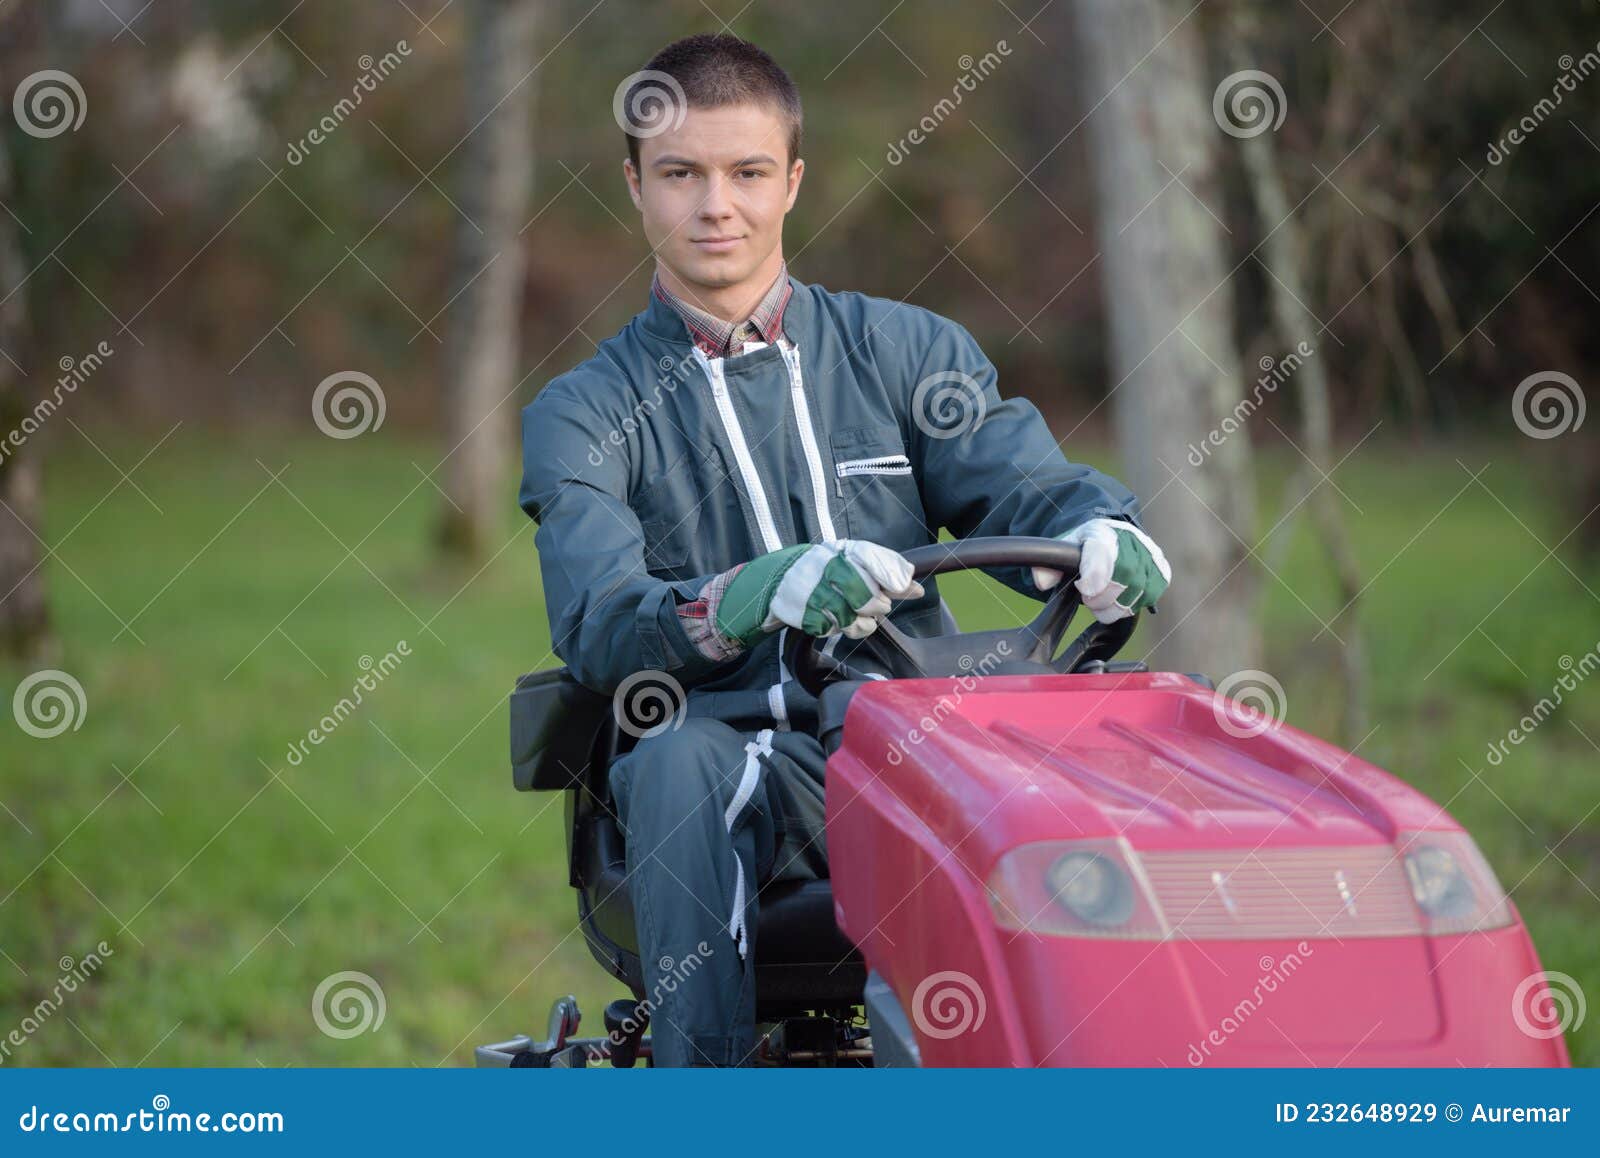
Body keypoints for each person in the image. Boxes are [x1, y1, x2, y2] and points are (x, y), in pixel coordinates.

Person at [517, 32, 1171, 1067]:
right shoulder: (582, 412)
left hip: (916, 747)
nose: (714, 205)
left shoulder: (907, 351)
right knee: (680, 758)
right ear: (635, 185)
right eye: (680, 174)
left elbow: (1019, 485)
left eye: (746, 173)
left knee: (1128, 746)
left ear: (792, 184)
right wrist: (752, 596)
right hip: (733, 761)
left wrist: (1097, 525)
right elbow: (601, 624)